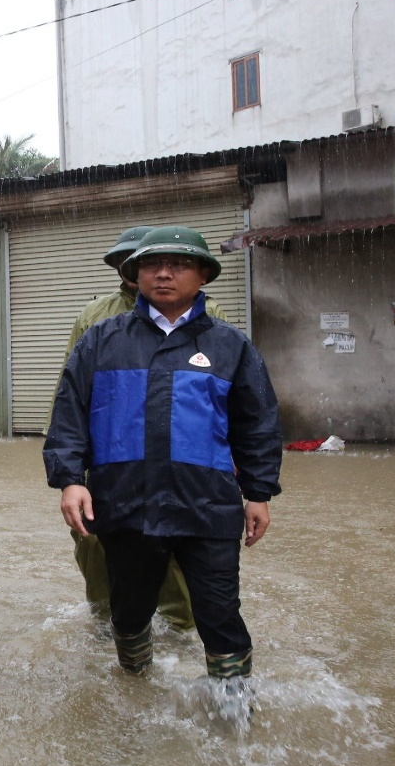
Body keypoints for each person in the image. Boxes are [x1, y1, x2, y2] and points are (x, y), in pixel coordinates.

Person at [44, 226, 282, 682]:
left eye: (179, 265)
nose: (165, 274)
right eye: (153, 265)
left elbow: (258, 424)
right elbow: (69, 411)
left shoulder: (230, 346)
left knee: (220, 616)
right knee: (128, 612)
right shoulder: (100, 339)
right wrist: (70, 479)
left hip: (207, 507)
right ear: (135, 274)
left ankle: (232, 715)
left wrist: (258, 493)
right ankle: (134, 687)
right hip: (125, 504)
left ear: (203, 277)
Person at [58, 226, 231, 629]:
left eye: (160, 262)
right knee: (95, 540)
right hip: (110, 459)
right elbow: (71, 397)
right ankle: (110, 622)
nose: (151, 273)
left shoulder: (207, 315)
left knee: (180, 541)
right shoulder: (95, 318)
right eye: (134, 262)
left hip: (185, 457)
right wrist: (72, 472)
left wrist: (234, 460)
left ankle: (179, 626)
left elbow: (229, 394)